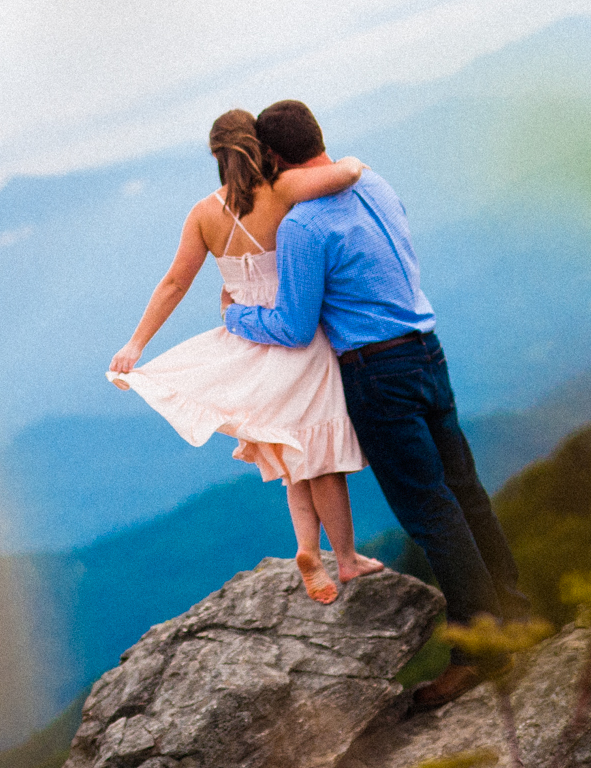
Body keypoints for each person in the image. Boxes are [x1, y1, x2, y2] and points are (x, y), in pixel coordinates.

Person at [223, 99, 529, 710]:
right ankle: (516, 618)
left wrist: (236, 313)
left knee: (431, 512)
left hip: (376, 371)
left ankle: (482, 652)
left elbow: (291, 325)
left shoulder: (304, 227)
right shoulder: (376, 183)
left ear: (275, 159)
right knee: (465, 489)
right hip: (427, 351)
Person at [108, 109, 389, 606]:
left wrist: (136, 345)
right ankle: (345, 558)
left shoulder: (203, 213)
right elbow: (346, 174)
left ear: (216, 155)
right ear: (258, 146)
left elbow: (174, 283)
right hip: (296, 335)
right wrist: (352, 159)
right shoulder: (281, 191)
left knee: (288, 451)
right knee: (320, 453)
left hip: (245, 342)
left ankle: (307, 547)